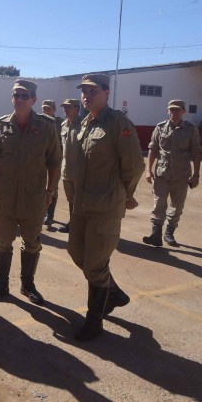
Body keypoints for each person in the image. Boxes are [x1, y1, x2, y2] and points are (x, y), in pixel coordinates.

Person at [68, 73, 144, 341]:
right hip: (82, 204)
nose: (86, 96)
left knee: (95, 265)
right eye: (84, 91)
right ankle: (114, 293)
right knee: (77, 252)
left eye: (93, 91)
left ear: (106, 93)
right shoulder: (85, 123)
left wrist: (125, 194)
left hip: (106, 206)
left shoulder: (118, 123)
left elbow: (134, 166)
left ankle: (94, 321)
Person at [0, 79, 61, 305]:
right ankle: (1, 284)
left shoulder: (46, 126)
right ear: (12, 98)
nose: (20, 99)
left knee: (32, 242)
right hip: (5, 197)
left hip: (33, 197)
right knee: (2, 241)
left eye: (25, 96)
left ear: (33, 99)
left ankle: (28, 284)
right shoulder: (1, 126)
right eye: (16, 95)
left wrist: (50, 191)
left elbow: (54, 161)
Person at [142, 100, 202, 247]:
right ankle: (156, 235)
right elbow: (153, 149)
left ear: (183, 111)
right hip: (162, 174)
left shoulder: (191, 129)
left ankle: (169, 233)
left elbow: (196, 152)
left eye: (177, 110)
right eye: (171, 110)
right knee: (159, 204)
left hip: (181, 175)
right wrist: (148, 170)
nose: (173, 112)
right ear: (168, 111)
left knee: (177, 205)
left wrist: (196, 175)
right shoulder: (160, 127)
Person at [58, 98, 83, 233]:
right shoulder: (64, 125)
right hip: (66, 169)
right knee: (71, 199)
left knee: (80, 200)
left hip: (79, 171)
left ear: (77, 109)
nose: (65, 109)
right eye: (64, 107)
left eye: (68, 107)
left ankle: (80, 225)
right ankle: (73, 223)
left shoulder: (84, 125)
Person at [41, 100, 64, 227]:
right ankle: (42, 212)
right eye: (43, 108)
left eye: (48, 108)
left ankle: (50, 216)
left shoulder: (60, 123)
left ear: (54, 109)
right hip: (41, 160)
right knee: (40, 185)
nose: (45, 111)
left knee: (53, 187)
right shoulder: (39, 122)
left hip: (55, 160)